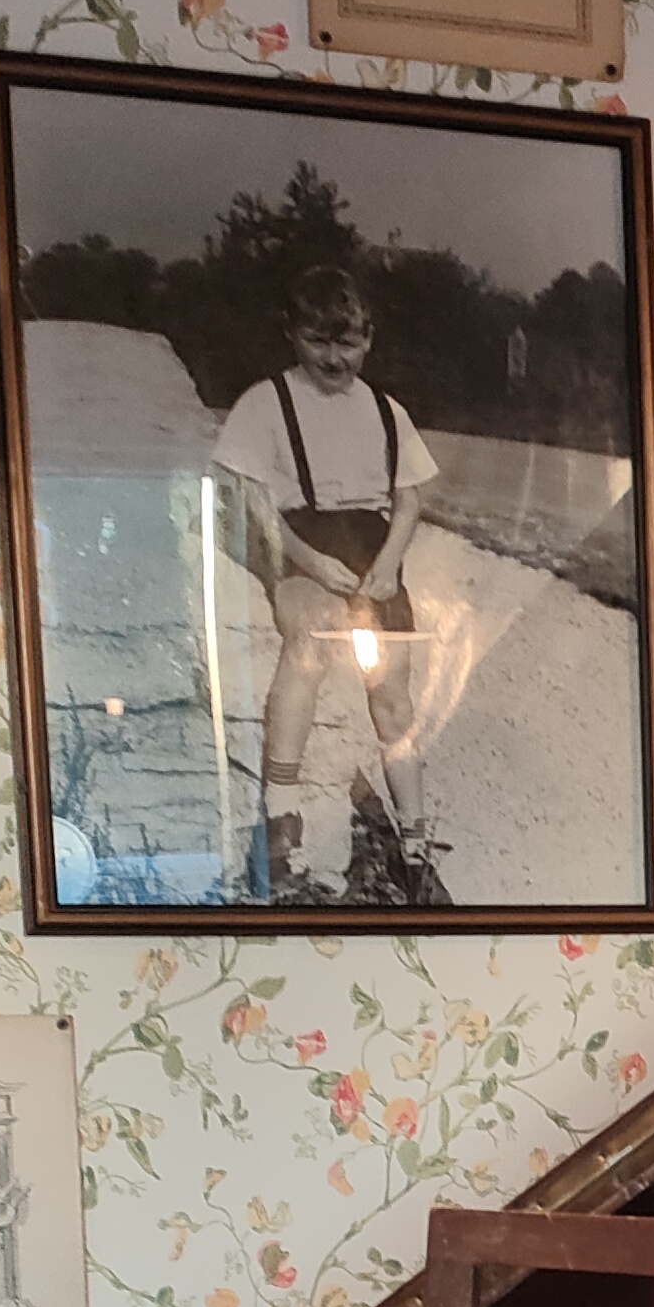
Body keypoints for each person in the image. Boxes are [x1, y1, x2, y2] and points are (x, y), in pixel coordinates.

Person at [209, 267, 447, 903]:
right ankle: (280, 815)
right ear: (292, 334)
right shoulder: (266, 402)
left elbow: (409, 499)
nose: (335, 358)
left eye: (349, 343)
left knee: (391, 690)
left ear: (369, 338)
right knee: (311, 642)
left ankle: (415, 837)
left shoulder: (385, 410)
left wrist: (390, 562)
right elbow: (254, 503)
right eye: (318, 342)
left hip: (371, 546)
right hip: (299, 540)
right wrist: (308, 561)